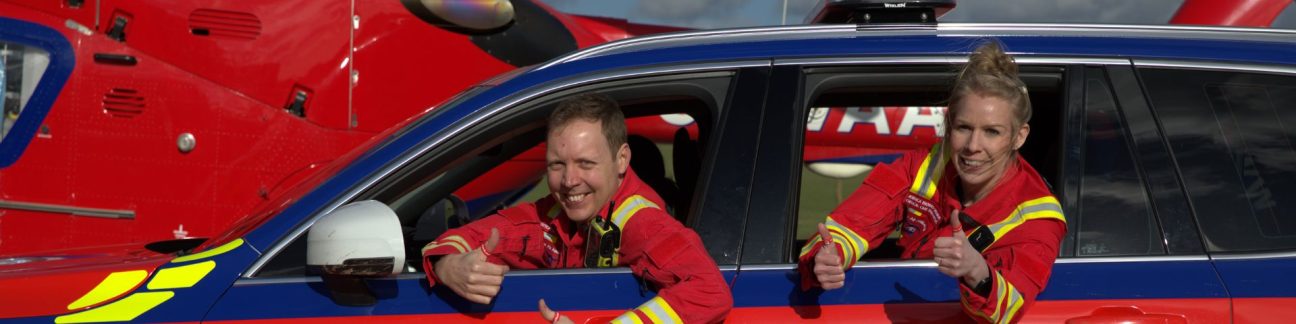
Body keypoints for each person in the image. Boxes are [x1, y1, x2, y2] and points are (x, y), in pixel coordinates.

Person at [797, 41, 1066, 323]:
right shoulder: (924, 164)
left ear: (1019, 137)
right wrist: (828, 257)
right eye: (964, 128)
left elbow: (1008, 309)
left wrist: (977, 271)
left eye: (992, 132)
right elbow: (853, 222)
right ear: (949, 124)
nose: (973, 146)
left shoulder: (1038, 216)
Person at [422, 93, 732, 323]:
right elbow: (486, 234)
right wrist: (448, 266)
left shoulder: (642, 222)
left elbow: (710, 292)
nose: (569, 181)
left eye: (586, 163)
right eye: (557, 164)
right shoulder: (555, 214)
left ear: (622, 159)